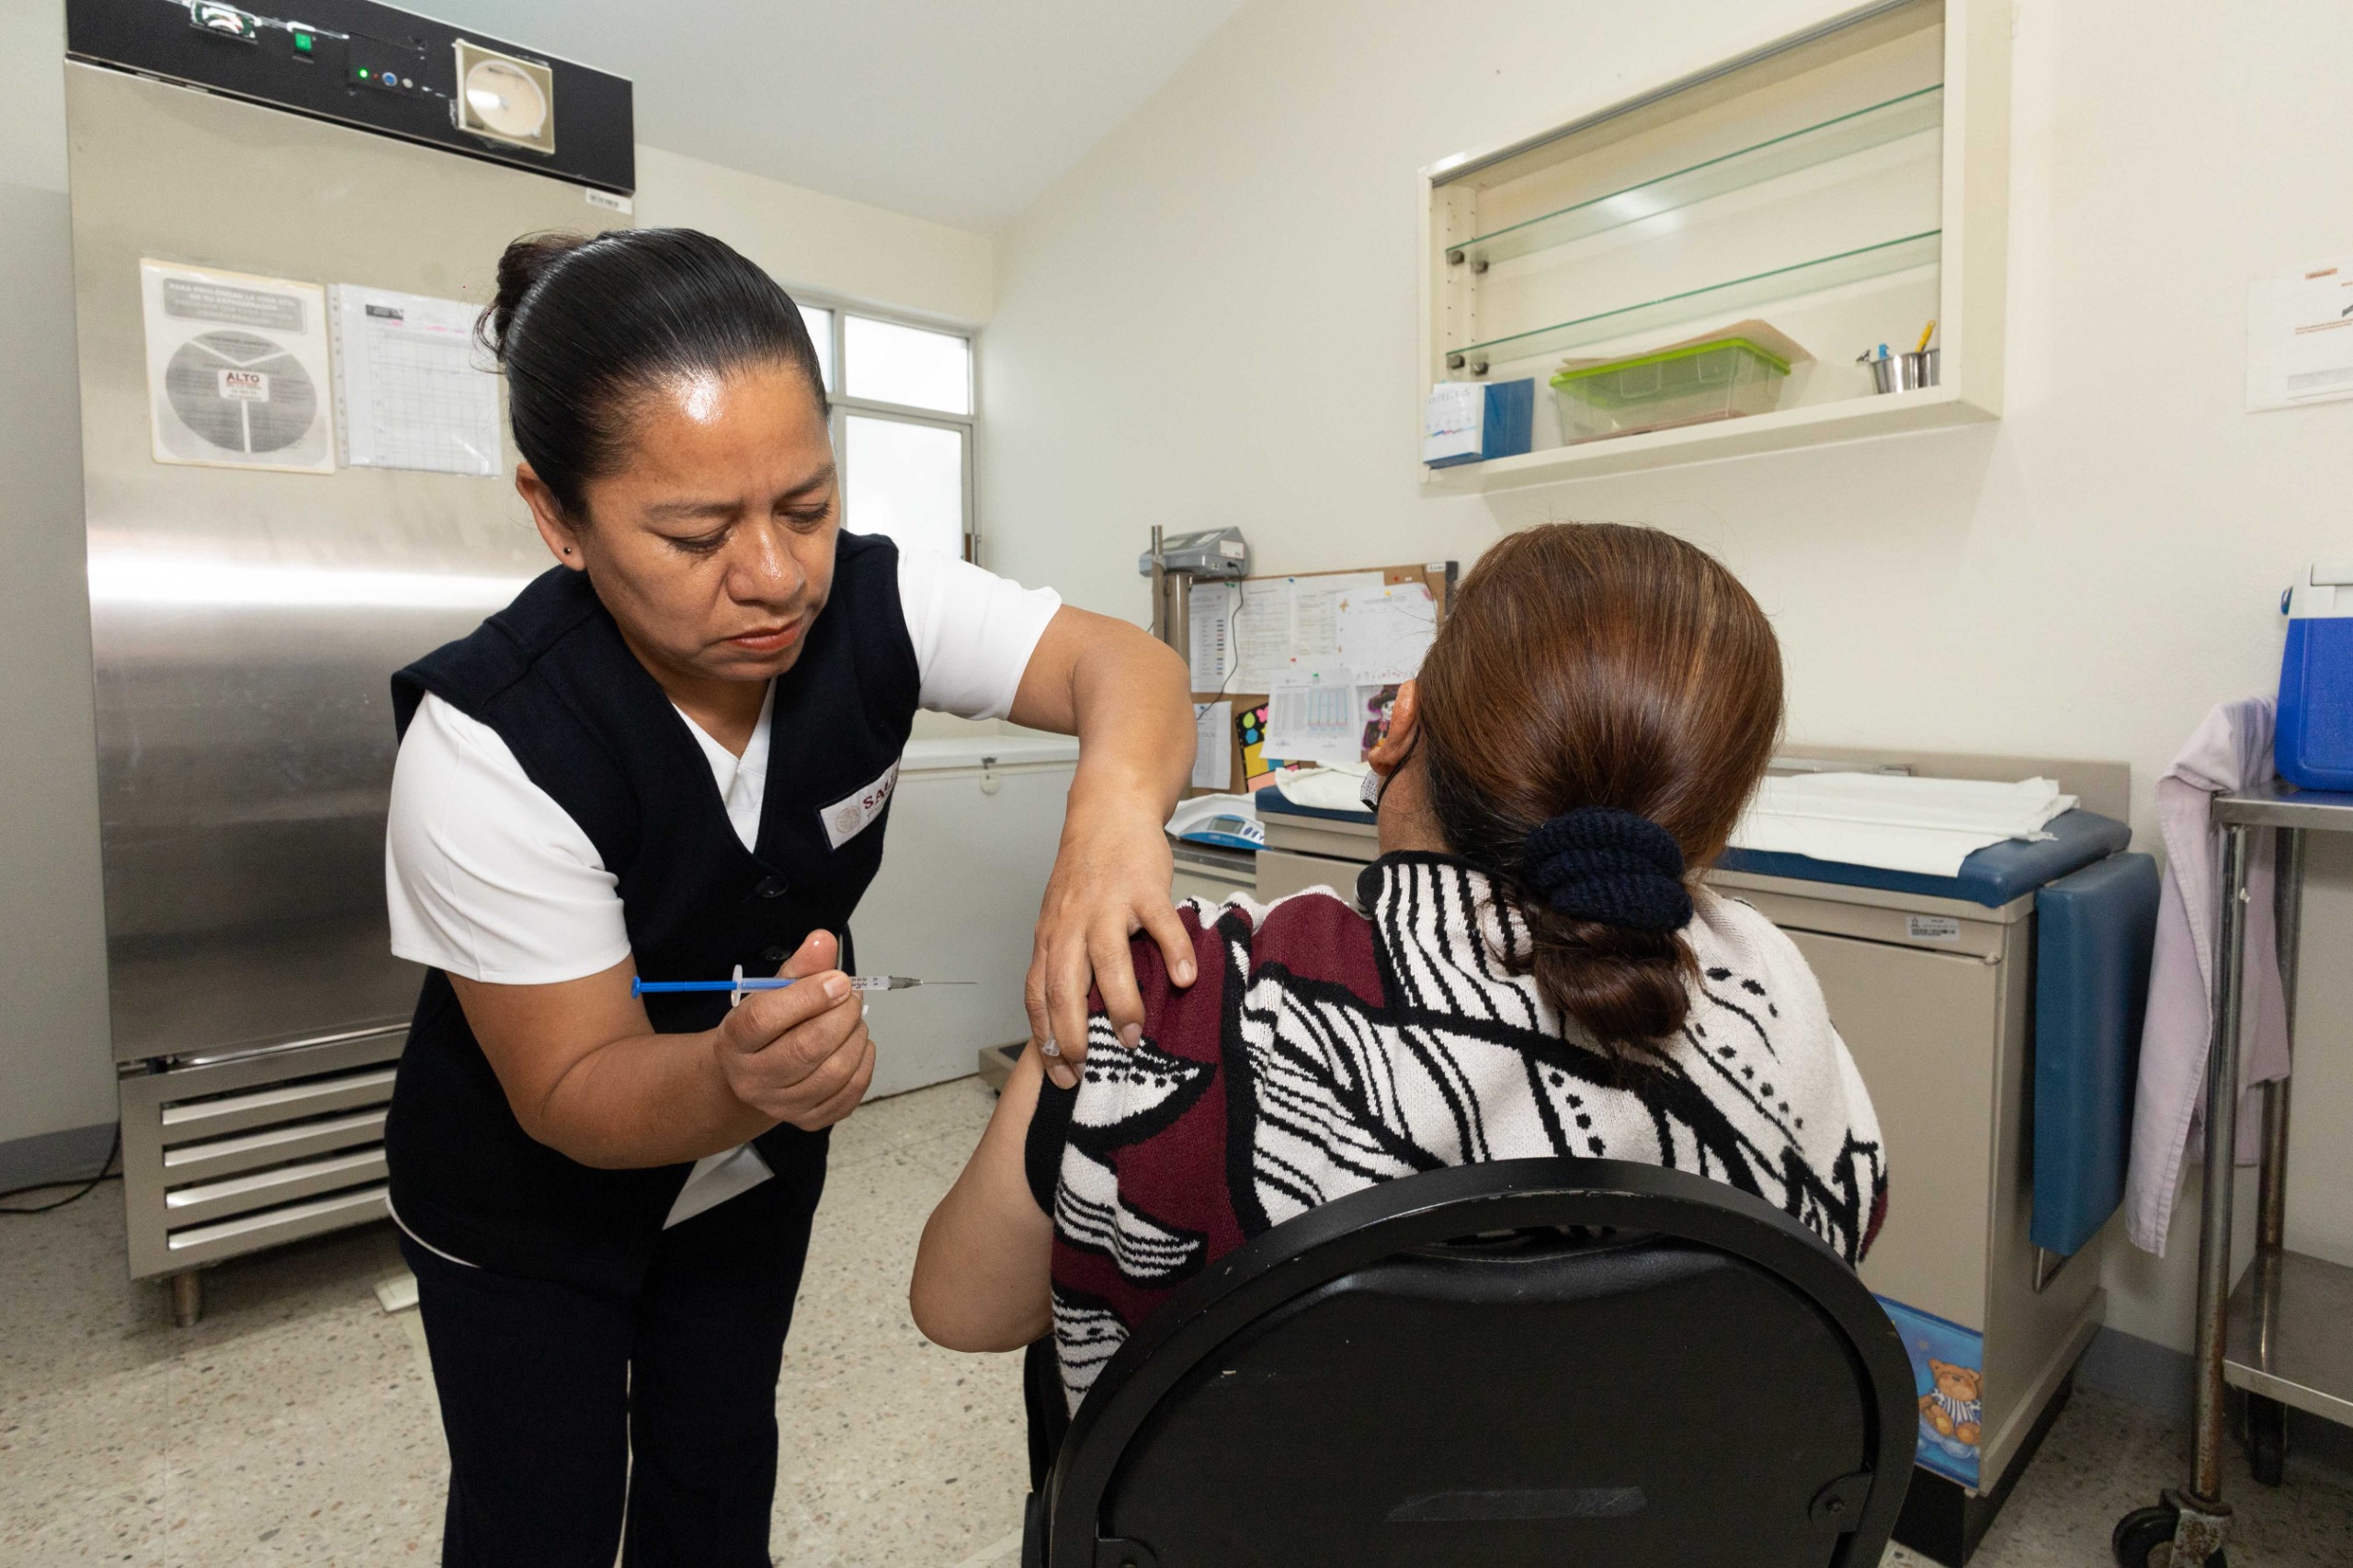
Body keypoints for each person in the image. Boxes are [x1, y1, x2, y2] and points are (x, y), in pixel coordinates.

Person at [381, 227, 1194, 1565]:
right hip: (523, 1204)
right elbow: (573, 1084)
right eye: (696, 533)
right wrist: (744, 1077)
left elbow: (1128, 665)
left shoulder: (880, 602)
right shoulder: (491, 739)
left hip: (744, 1171)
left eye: (806, 507)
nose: (773, 574)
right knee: (543, 1511)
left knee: (717, 1459)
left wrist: (1110, 825)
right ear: (556, 513)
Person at [909, 522, 1889, 1415]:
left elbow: (961, 1302)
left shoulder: (1174, 991)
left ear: (1400, 722)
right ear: (1711, 811)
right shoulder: (1775, 995)